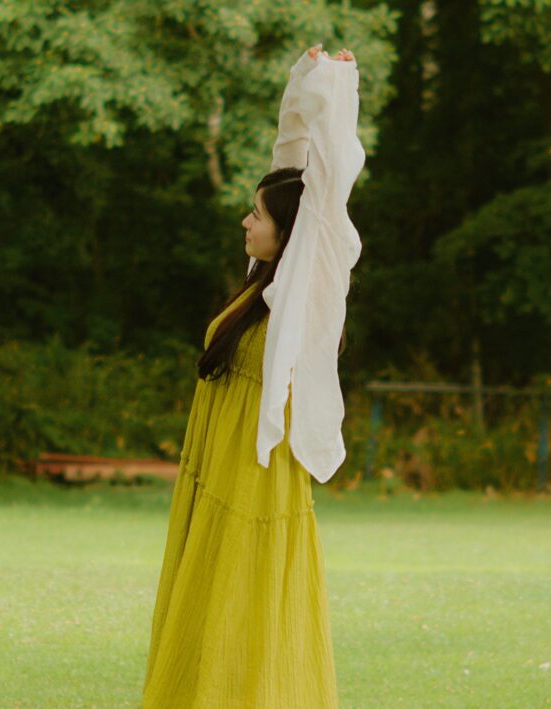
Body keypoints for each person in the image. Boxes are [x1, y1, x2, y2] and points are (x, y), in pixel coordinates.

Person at [141, 44, 364, 708]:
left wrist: (336, 91)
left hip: (257, 477)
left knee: (246, 600)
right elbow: (290, 164)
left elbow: (324, 193)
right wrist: (302, 87)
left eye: (258, 215)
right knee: (209, 596)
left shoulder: (306, 293)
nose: (247, 220)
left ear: (291, 233)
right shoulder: (260, 288)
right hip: (219, 462)